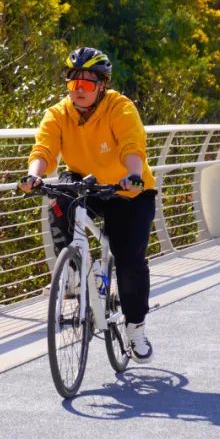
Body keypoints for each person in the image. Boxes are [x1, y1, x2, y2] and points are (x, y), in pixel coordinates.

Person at [18, 46, 158, 362]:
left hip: (128, 191)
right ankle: (73, 269)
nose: (78, 90)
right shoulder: (58, 114)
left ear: (102, 85)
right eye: (73, 83)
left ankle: (135, 327)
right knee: (58, 196)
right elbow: (43, 150)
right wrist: (33, 176)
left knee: (129, 259)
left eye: (86, 83)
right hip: (88, 185)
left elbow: (132, 146)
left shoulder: (119, 107)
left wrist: (134, 175)